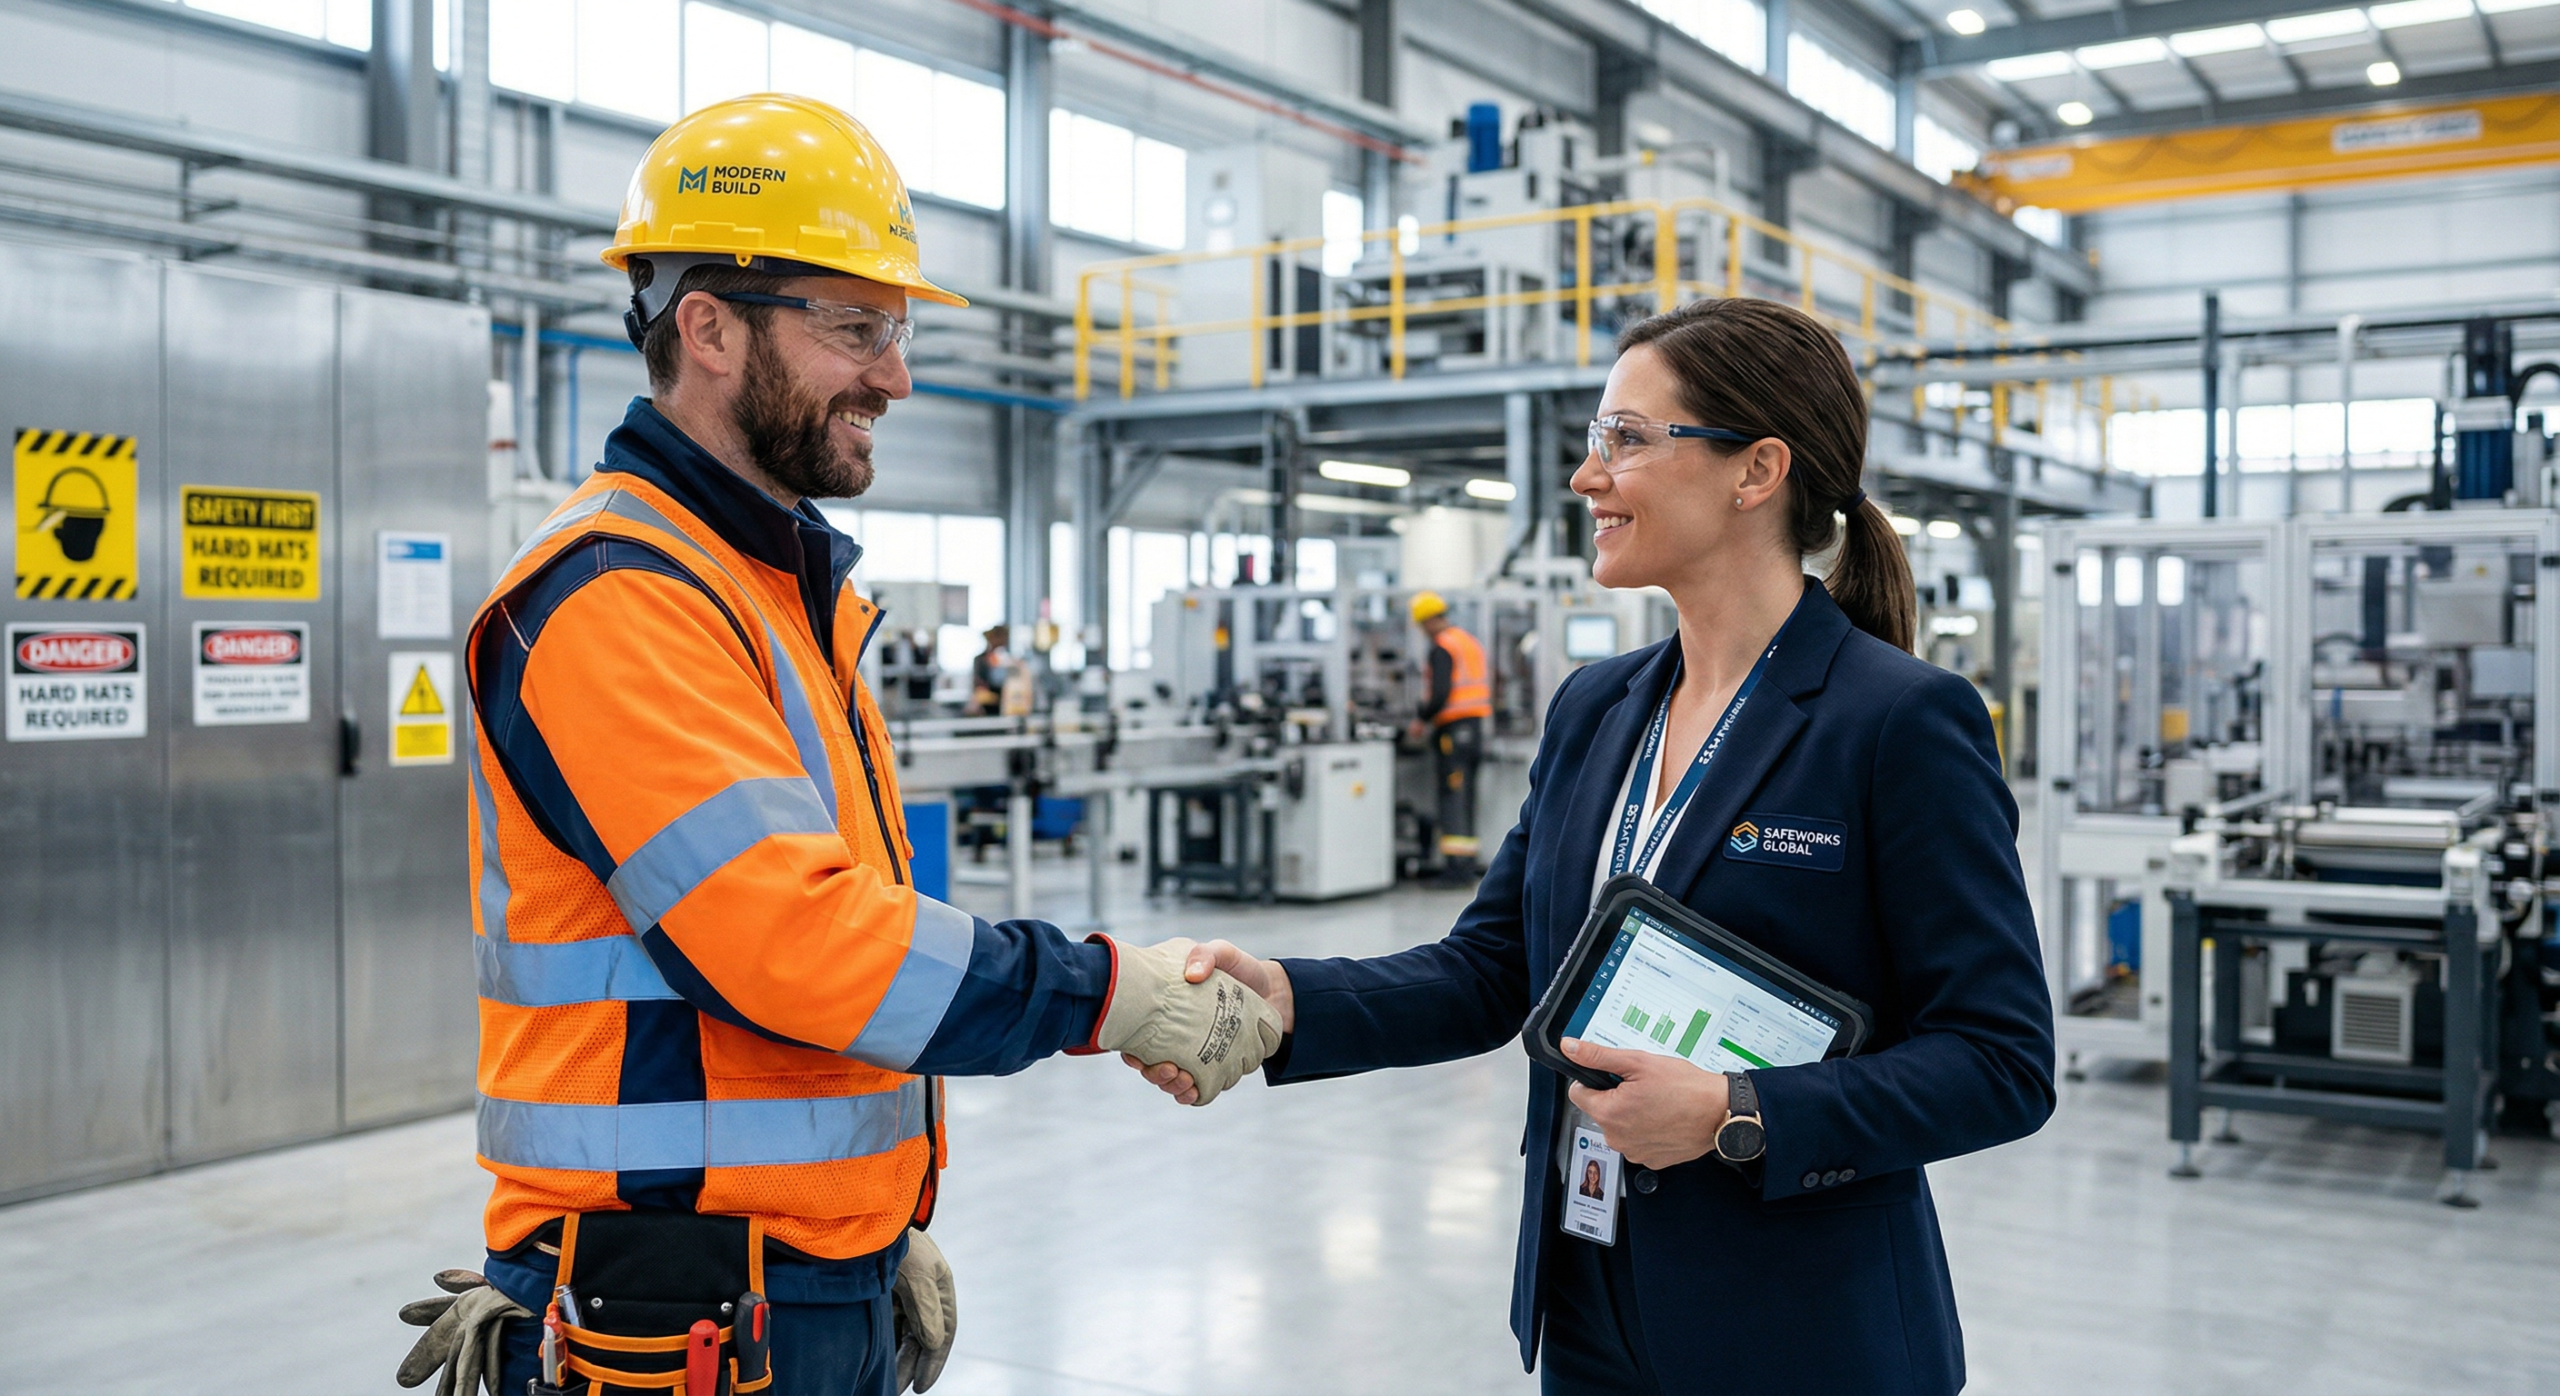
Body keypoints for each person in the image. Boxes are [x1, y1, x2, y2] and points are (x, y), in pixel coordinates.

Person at [393, 94, 1280, 1396]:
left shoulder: (770, 594)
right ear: (706, 326)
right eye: (856, 327)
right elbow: (798, 945)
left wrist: (871, 1233)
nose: (897, 375)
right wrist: (1107, 991)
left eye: (898, 329)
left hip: (789, 1275)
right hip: (683, 1305)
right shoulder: (614, 597)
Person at [1133, 298, 2055, 1396]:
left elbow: (2000, 1060)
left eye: (1625, 438)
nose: (1587, 476)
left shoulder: (1897, 720)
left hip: (1799, 1325)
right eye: (1591, 440)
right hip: (1587, 1302)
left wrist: (1737, 1114)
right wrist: (1288, 995)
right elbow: (1497, 971)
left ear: (1754, 471)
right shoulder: (1598, 707)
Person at [1405, 591, 1492, 883]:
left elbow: (1440, 693)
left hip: (1453, 731)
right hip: (1475, 728)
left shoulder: (1442, 647)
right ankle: (1464, 863)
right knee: (1465, 797)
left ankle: (1456, 869)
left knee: (1452, 798)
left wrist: (1421, 719)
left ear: (1428, 621)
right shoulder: (1467, 641)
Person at [968, 625, 1011, 715]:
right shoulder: (981, 660)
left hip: (1006, 703)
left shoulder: (1008, 660)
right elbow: (978, 683)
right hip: (988, 705)